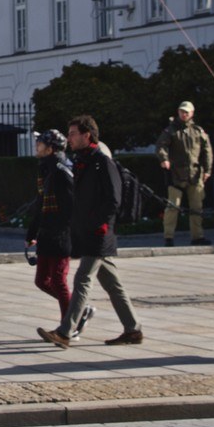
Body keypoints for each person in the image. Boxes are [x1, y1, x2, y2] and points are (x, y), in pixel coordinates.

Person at [38, 115, 139, 349]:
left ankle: (65, 331)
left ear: (87, 135)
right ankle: (133, 329)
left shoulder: (102, 161)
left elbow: (113, 199)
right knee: (113, 285)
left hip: (100, 233)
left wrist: (98, 225)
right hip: (89, 231)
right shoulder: (83, 160)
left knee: (82, 279)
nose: (69, 138)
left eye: (73, 133)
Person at [24, 130, 75, 331]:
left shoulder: (62, 170)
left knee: (58, 281)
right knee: (42, 280)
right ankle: (77, 308)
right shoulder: (45, 168)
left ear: (51, 148)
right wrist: (32, 233)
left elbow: (73, 204)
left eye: (41, 142)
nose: (37, 145)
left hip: (60, 233)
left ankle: (69, 326)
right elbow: (40, 203)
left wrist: (67, 231)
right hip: (46, 232)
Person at [157, 101, 213, 246]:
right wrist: (164, 159)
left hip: (195, 175)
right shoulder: (170, 130)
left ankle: (197, 237)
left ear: (192, 113)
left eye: (187, 112)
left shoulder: (198, 131)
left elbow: (207, 152)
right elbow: (161, 145)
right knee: (172, 207)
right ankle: (168, 237)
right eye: (182, 111)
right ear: (178, 112)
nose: (184, 114)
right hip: (176, 175)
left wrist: (207, 170)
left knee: (197, 207)